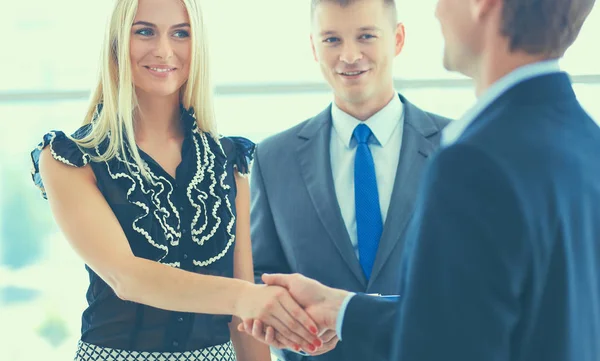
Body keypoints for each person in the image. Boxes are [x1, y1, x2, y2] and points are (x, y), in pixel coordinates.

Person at [242, 0, 600, 360]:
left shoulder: (471, 158)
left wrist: (346, 312)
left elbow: (445, 343)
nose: (438, 10)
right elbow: (479, 324)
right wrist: (342, 310)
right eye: (332, 39)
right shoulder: (587, 141)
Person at [29, 0, 324, 360]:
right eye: (145, 31)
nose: (164, 50)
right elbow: (127, 277)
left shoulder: (230, 162)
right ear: (117, 43)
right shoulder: (71, 159)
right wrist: (247, 297)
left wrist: (252, 301)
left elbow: (244, 321)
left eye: (180, 33)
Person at [249, 0, 450, 359]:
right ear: (313, 46)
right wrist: (284, 320)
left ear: (398, 39)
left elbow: (483, 283)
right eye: (332, 40)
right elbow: (260, 280)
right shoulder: (272, 158)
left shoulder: (458, 148)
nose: (350, 55)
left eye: (366, 36)